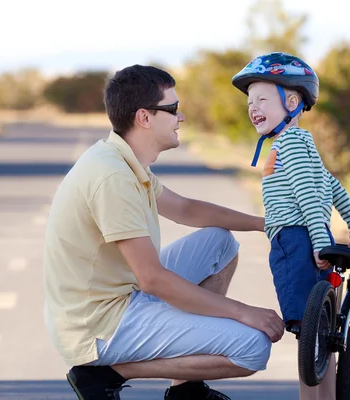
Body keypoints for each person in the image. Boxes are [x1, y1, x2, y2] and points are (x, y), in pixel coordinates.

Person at [43, 64, 286, 400]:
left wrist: (266, 224)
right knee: (253, 347)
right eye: (172, 110)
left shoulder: (122, 160)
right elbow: (153, 280)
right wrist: (243, 311)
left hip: (118, 296)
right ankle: (102, 374)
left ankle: (186, 391)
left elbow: (187, 209)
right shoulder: (112, 177)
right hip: (99, 325)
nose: (181, 117)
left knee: (220, 242)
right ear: (144, 117)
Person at [231, 52, 350, 400]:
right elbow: (333, 186)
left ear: (292, 101)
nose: (253, 108)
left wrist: (318, 239)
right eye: (250, 101)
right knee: (322, 338)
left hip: (295, 240)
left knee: (308, 335)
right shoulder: (304, 142)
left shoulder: (288, 144)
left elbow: (308, 193)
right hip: (309, 235)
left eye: (262, 99)